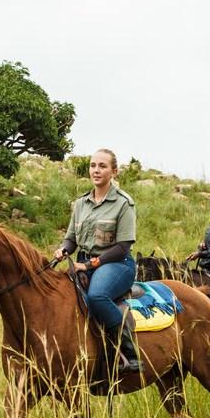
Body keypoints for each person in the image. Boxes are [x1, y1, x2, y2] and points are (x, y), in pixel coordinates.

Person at [53, 149, 141, 373]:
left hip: (116, 264)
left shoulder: (123, 203)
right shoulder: (81, 203)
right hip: (83, 263)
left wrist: (91, 264)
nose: (96, 170)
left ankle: (128, 354)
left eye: (102, 166)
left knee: (97, 296)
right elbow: (71, 239)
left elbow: (122, 247)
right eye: (93, 165)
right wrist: (63, 249)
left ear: (114, 171)